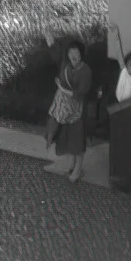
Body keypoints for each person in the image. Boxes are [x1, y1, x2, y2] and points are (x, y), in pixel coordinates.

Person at [46, 43, 94, 179]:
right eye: (71, 53)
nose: (74, 56)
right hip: (65, 110)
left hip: (78, 110)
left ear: (81, 54)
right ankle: (71, 166)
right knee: (68, 138)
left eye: (77, 53)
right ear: (67, 54)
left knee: (78, 140)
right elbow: (55, 53)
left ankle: (77, 170)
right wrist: (50, 39)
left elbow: (79, 94)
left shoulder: (86, 71)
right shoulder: (66, 66)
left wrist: (61, 89)